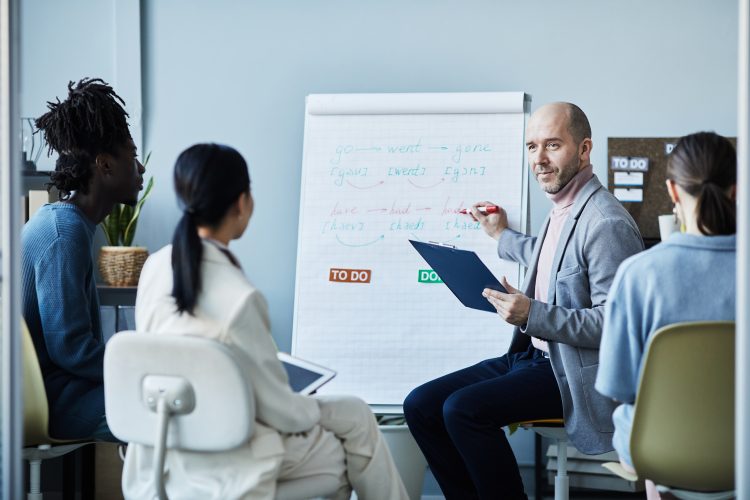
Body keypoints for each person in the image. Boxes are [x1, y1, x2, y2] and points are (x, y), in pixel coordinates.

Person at [128, 143, 408, 500]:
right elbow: (284, 414)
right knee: (352, 431)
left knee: (351, 417)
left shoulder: (154, 267)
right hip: (230, 453)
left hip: (166, 441)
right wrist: (301, 402)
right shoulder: (239, 296)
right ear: (242, 202)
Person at [403, 102, 644, 499]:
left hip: (572, 370)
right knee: (421, 405)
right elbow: (553, 255)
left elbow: (613, 324)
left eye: (552, 145)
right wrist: (500, 235)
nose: (540, 159)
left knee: (463, 410)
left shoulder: (606, 223)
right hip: (533, 356)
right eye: (532, 147)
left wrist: (533, 313)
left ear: (584, 149)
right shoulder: (563, 208)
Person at [596, 132, 736, 498]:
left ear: (673, 191)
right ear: (736, 189)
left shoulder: (639, 274)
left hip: (658, 451)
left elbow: (617, 387)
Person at [21, 78, 145, 441]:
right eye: (132, 156)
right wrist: (139, 368)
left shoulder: (69, 224)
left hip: (61, 391)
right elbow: (71, 349)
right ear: (105, 165)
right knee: (169, 412)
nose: (140, 169)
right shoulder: (64, 232)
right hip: (50, 400)